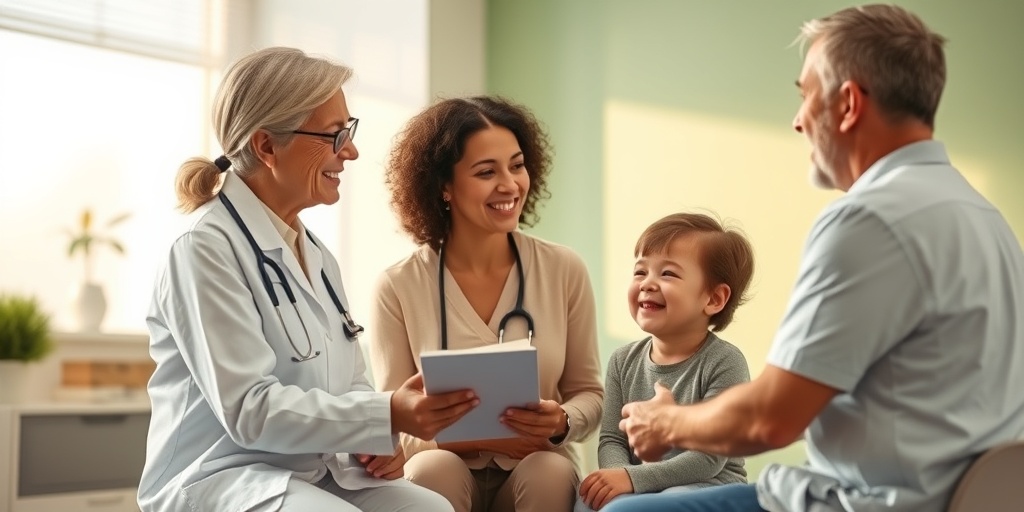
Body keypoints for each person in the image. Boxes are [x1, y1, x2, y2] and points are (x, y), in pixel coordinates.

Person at [609, 4, 1024, 512]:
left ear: (847, 104)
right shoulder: (985, 217)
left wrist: (666, 421)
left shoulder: (868, 220)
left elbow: (771, 418)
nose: (798, 120)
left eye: (805, 95)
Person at [137, 47, 479, 512]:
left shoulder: (315, 254)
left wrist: (377, 437)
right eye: (335, 135)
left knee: (432, 509)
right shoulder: (203, 249)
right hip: (220, 477)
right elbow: (251, 410)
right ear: (266, 146)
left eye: (349, 132)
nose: (351, 151)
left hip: (312, 471)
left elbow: (350, 380)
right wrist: (385, 413)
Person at [367, 95, 604, 512]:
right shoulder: (398, 286)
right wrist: (481, 440)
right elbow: (394, 423)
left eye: (517, 166)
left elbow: (590, 393)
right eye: (486, 172)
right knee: (433, 469)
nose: (510, 185)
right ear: (443, 186)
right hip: (441, 469)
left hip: (536, 466)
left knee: (549, 471)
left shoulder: (564, 269)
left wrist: (561, 420)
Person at [577, 213, 754, 512]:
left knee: (662, 501)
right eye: (640, 272)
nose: (647, 283)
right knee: (585, 501)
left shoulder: (725, 362)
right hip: (640, 484)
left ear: (714, 299)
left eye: (668, 274)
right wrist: (617, 481)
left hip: (708, 486)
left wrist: (632, 479)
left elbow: (709, 458)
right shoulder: (622, 360)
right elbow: (611, 440)